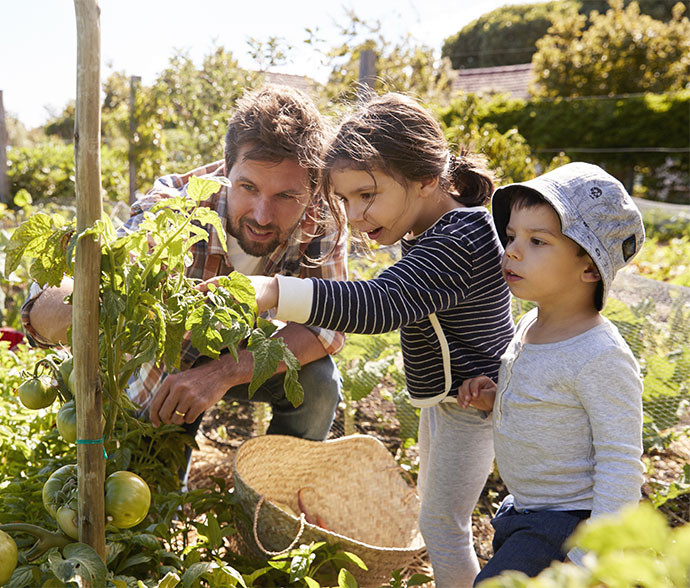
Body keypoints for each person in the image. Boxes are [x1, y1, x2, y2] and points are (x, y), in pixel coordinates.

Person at [207, 93, 515, 588]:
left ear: (426, 179)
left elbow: (378, 304)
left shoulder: (459, 238)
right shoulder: (438, 230)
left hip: (474, 406)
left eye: (366, 195)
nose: (353, 214)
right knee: (447, 520)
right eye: (344, 199)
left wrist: (271, 291)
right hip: (455, 400)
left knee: (446, 526)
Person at [22, 84, 347, 474]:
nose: (262, 214)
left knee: (318, 384)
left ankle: (276, 495)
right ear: (226, 169)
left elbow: (326, 328)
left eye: (286, 197)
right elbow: (56, 305)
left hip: (249, 352)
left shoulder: (321, 219)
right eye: (248, 188)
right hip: (170, 366)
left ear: (311, 189)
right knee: (151, 490)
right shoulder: (176, 207)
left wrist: (223, 372)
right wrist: (88, 298)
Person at [457, 162, 646, 583]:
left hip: (567, 525)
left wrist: (587, 558)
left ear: (590, 268)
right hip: (524, 511)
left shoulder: (600, 355)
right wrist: (496, 397)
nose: (513, 251)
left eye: (537, 240)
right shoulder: (530, 324)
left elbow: (621, 465)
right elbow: (547, 402)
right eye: (511, 237)